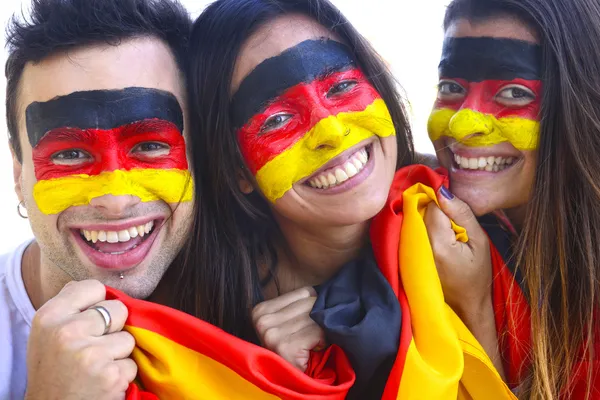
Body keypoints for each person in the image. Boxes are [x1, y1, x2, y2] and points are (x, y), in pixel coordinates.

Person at [179, 0, 519, 398]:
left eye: (341, 87)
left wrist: (474, 304)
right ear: (237, 170)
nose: (332, 130)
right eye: (277, 119)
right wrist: (275, 382)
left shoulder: (479, 231)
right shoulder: (196, 310)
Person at [0, 0, 194, 398]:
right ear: (19, 175)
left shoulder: (259, 302)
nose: (116, 201)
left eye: (152, 144)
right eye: (69, 154)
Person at [427, 0, 600, 397]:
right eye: (450, 88)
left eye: (514, 93)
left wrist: (473, 306)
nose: (462, 124)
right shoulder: (418, 213)